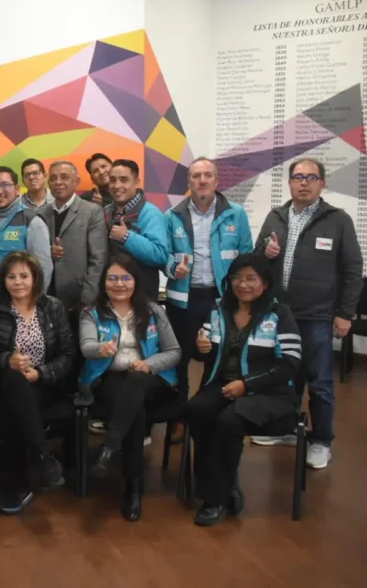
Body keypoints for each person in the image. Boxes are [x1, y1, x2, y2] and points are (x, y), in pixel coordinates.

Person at [251, 157, 363, 469]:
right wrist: (265, 253)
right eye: (298, 177)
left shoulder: (338, 220)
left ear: (322, 183)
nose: (303, 182)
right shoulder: (276, 216)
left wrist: (345, 313)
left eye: (311, 177)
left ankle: (322, 440)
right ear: (289, 182)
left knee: (320, 383)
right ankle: (285, 428)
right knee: (284, 378)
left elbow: (353, 270)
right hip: (279, 315)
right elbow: (257, 260)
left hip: (317, 316)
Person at [188, 254, 301, 526]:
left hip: (270, 393)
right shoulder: (218, 309)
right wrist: (200, 348)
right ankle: (223, 484)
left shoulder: (279, 314)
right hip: (224, 384)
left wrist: (247, 385)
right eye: (237, 278)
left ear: (264, 283)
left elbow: (290, 364)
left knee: (229, 421)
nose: (243, 284)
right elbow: (203, 350)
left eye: (251, 278)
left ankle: (215, 498)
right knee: (197, 410)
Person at [79, 254, 180, 522]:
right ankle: (133, 486)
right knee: (136, 412)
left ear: (136, 281)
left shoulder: (153, 310)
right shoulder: (91, 312)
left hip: (151, 376)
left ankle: (110, 448)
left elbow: (174, 351)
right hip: (109, 374)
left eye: (126, 278)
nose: (119, 284)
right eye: (112, 278)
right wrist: (101, 348)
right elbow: (86, 347)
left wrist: (149, 363)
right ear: (104, 282)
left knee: (136, 383)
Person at [0, 252, 75, 515]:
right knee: (12, 384)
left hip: (45, 385)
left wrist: (41, 373)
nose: (18, 282)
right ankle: (42, 456)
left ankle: (17, 484)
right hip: (2, 385)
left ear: (35, 279)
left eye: (24, 276)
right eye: (11, 276)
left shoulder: (53, 307)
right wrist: (8, 361)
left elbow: (68, 355)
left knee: (15, 409)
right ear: (3, 281)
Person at [164, 158, 252, 401]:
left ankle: (204, 412)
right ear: (189, 181)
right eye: (196, 176)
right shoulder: (172, 216)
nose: (201, 180)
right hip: (184, 300)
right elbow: (164, 256)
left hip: (222, 300)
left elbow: (247, 256)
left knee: (218, 359)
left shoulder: (236, 213)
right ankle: (180, 416)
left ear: (216, 180)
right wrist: (173, 268)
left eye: (207, 175)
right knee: (179, 358)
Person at [0, 166, 52, 305]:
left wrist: (35, 302)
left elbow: (43, 266)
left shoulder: (31, 220)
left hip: (21, 304)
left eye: (5, 185)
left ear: (17, 189)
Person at [37, 160, 106, 314]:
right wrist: (47, 251)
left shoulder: (92, 212)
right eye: (53, 178)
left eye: (64, 177)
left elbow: (98, 259)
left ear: (76, 181)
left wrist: (87, 298)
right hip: (44, 297)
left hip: (79, 299)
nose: (58, 182)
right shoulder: (41, 213)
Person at [103, 159, 169, 301]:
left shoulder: (151, 213)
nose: (117, 185)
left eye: (124, 180)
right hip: (110, 295)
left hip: (142, 298)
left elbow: (161, 256)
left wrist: (127, 237)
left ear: (136, 182)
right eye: (113, 180)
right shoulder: (106, 212)